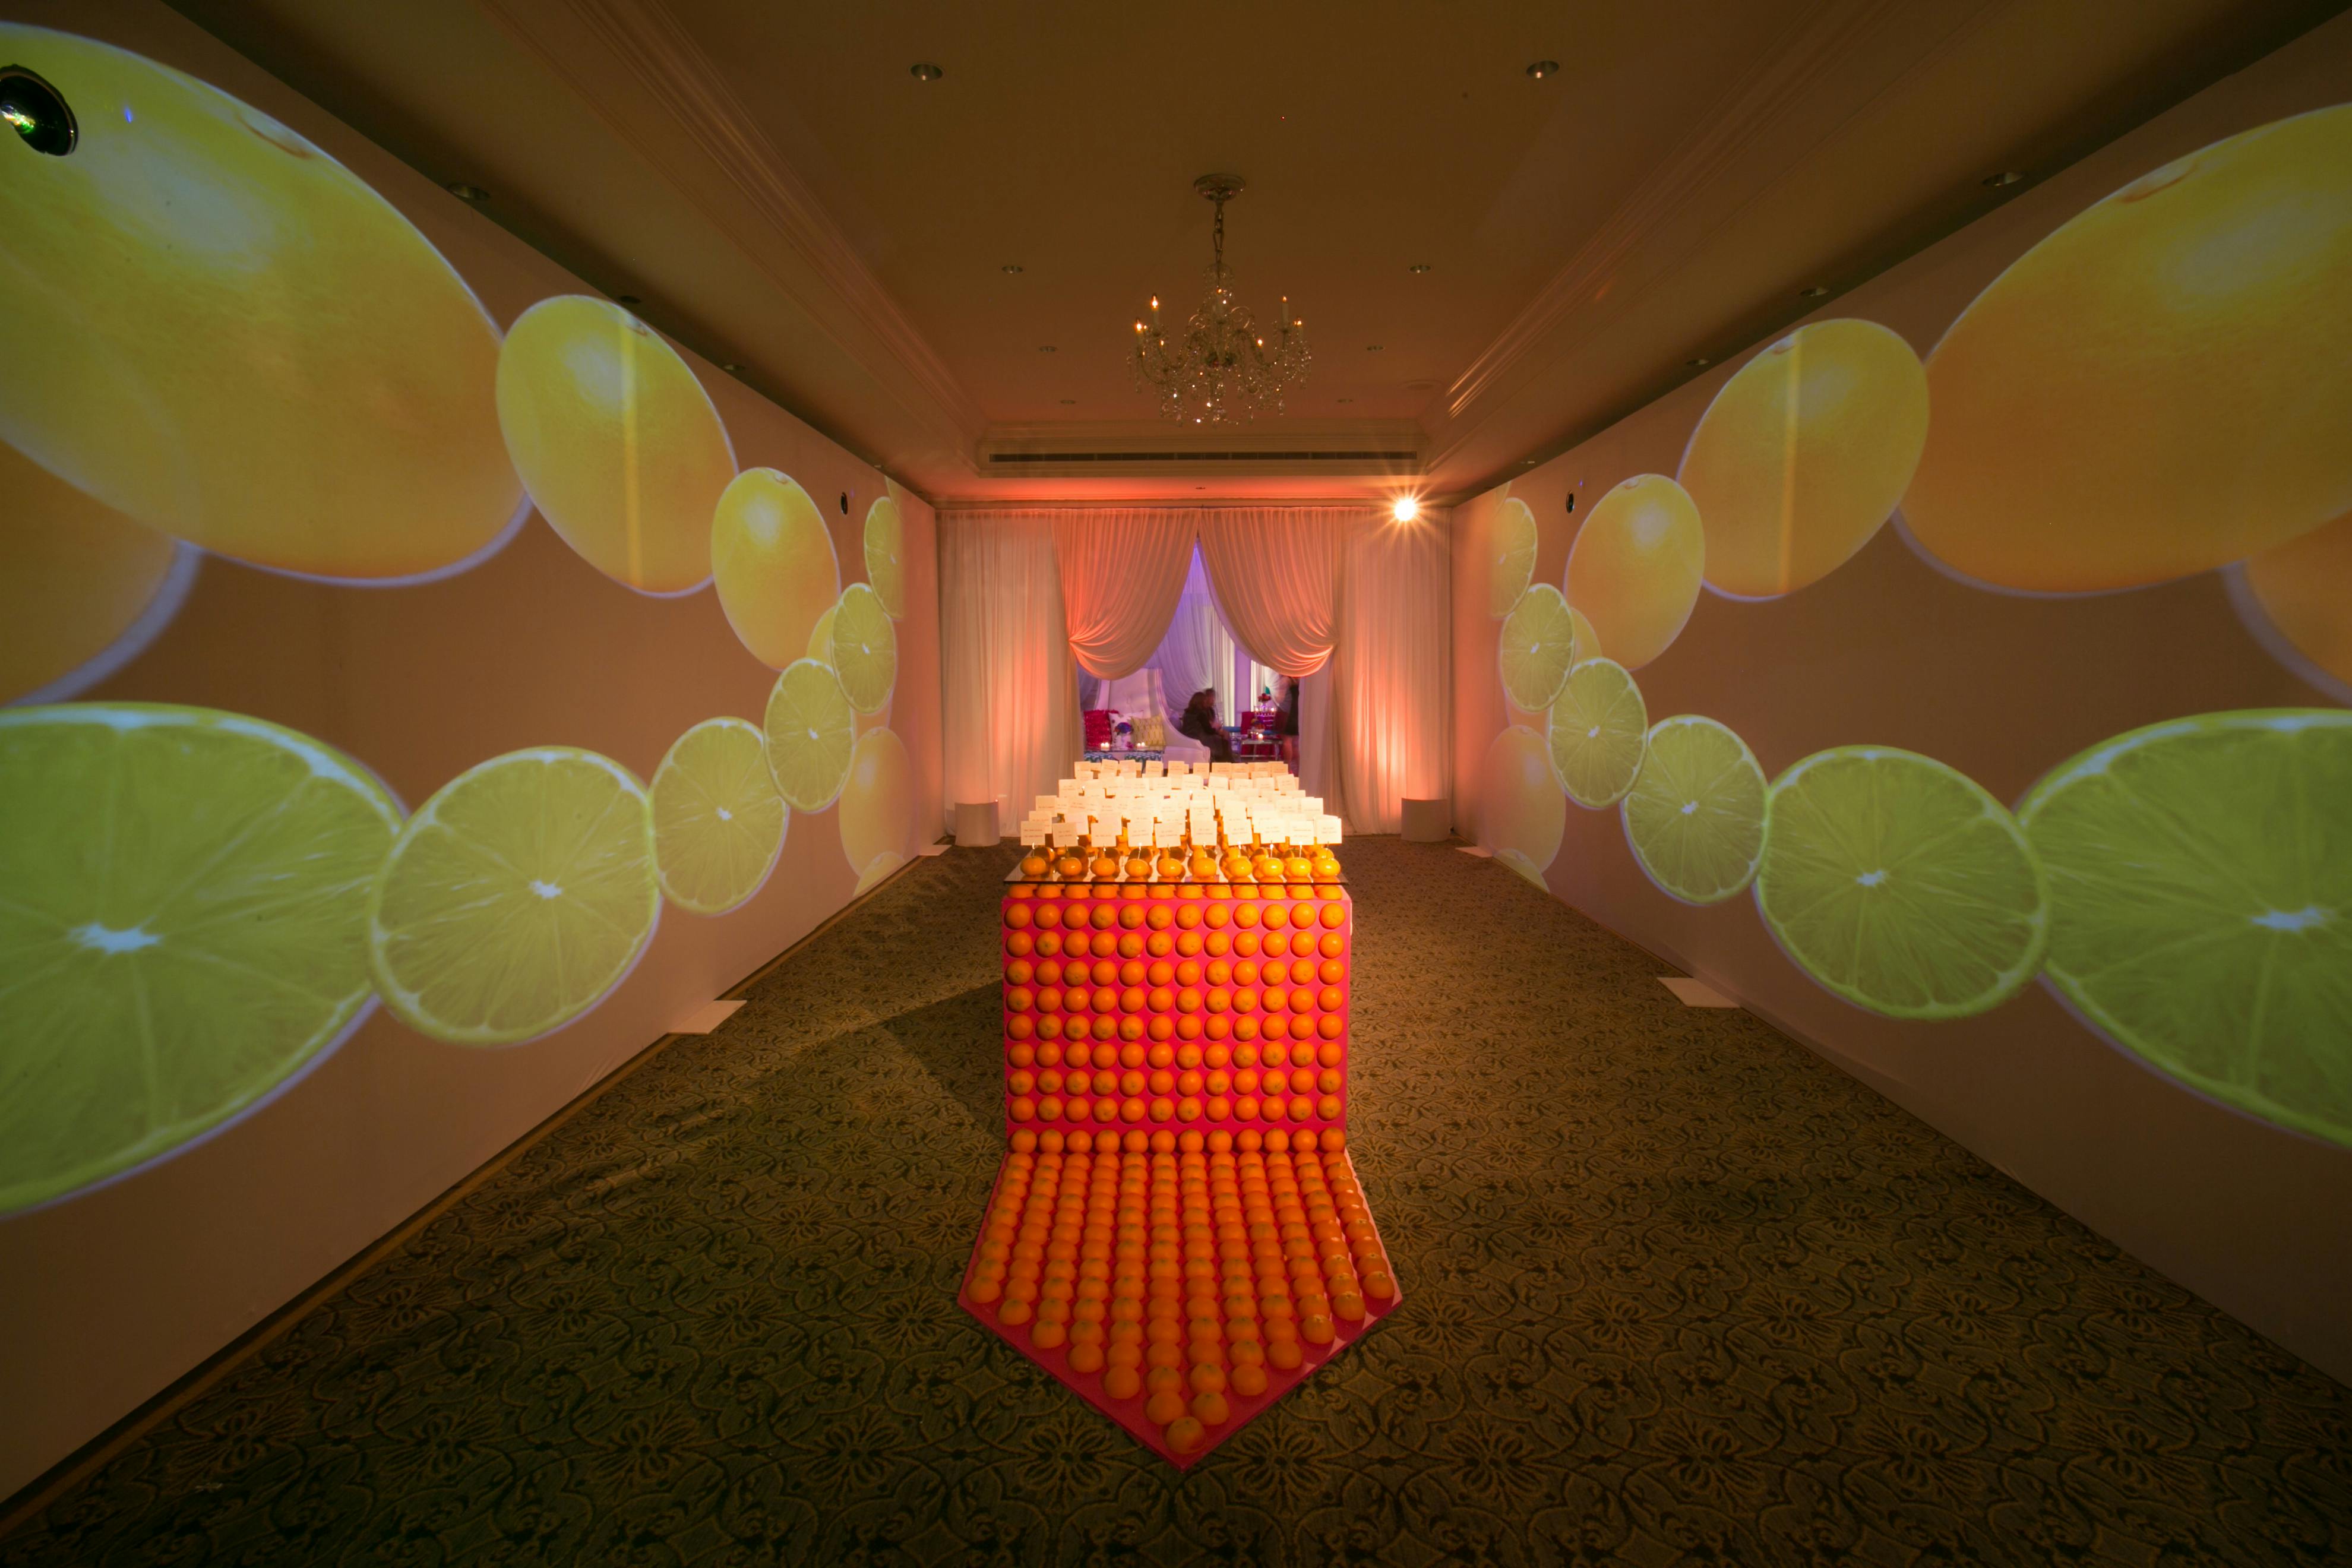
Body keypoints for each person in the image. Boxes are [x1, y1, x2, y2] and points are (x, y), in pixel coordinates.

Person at [1177, 688, 1234, 764]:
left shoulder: (1187, 713)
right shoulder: (1201, 714)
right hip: (1199, 737)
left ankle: (1227, 757)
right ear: (1201, 702)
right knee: (1221, 739)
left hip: (1188, 736)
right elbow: (1208, 730)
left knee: (1222, 735)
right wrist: (1216, 729)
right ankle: (1225, 759)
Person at [1275, 676, 1300, 770]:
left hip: (1287, 712)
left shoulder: (1286, 680)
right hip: (1296, 711)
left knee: (1287, 742)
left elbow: (1280, 698)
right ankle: (1299, 769)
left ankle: (1288, 768)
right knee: (1296, 744)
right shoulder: (1299, 680)